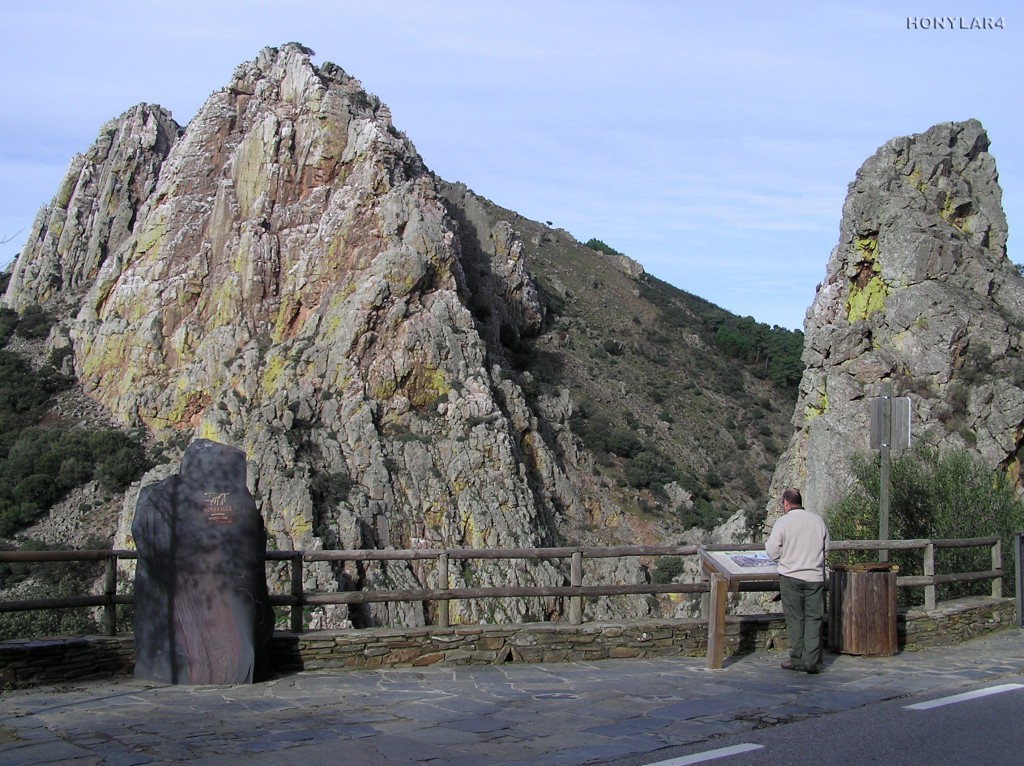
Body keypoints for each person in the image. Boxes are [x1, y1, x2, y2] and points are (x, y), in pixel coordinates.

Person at [765, 487, 830, 674]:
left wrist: (784, 559)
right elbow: (827, 547)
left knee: (795, 618)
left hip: (791, 575)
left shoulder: (783, 522)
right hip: (814, 577)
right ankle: (812, 659)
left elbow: (772, 550)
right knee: (814, 618)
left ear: (786, 503)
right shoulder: (817, 520)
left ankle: (797, 658)